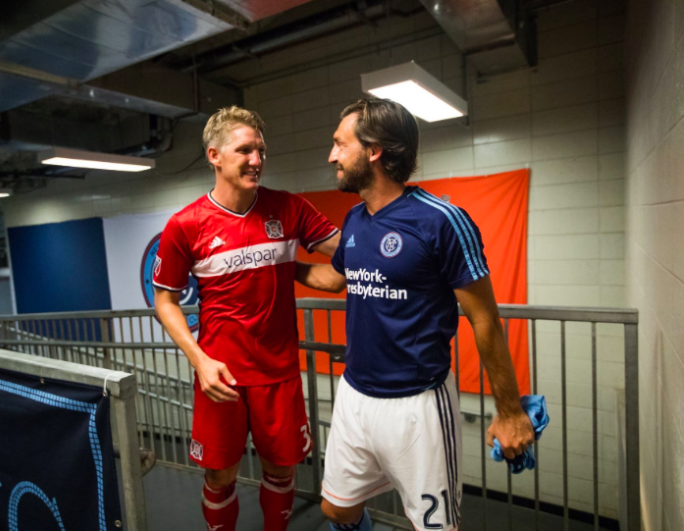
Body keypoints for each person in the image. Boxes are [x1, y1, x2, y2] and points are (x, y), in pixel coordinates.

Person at [295, 98, 535, 531]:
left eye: (339, 144)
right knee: (336, 510)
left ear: (373, 151)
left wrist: (511, 411)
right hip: (355, 394)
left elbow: (485, 318)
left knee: (435, 528)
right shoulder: (354, 219)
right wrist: (274, 269)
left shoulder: (442, 221)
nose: (332, 155)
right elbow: (335, 280)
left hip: (417, 403)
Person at [153, 106, 340, 531]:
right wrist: (199, 360)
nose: (256, 159)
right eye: (245, 150)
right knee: (220, 476)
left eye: (261, 150)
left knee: (282, 469)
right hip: (221, 375)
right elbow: (164, 300)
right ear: (214, 155)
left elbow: (343, 255)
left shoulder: (288, 208)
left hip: (280, 372)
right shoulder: (186, 224)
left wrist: (386, 238)